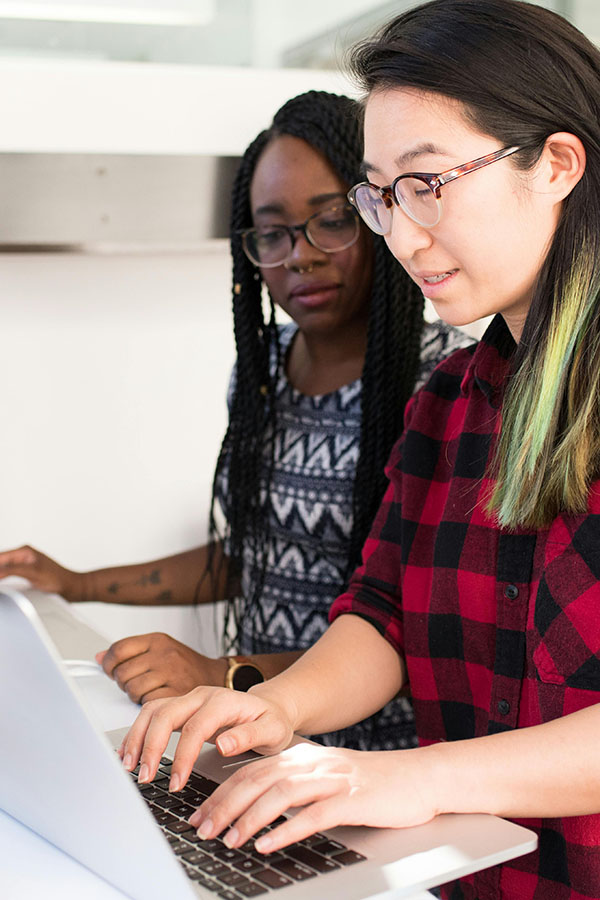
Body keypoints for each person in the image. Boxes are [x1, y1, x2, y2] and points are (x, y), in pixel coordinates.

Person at [118, 2, 600, 898]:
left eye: (428, 183)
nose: (402, 236)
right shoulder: (449, 402)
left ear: (558, 164)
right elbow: (381, 619)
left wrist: (404, 777)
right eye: (383, 196)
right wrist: (268, 706)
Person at [0, 91, 471, 752]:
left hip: (381, 758)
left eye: (330, 221)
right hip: (261, 735)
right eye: (272, 234)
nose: (298, 256)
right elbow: (248, 553)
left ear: (377, 213)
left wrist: (226, 677)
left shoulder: (444, 382)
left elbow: (415, 627)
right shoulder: (266, 368)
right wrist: (76, 583)